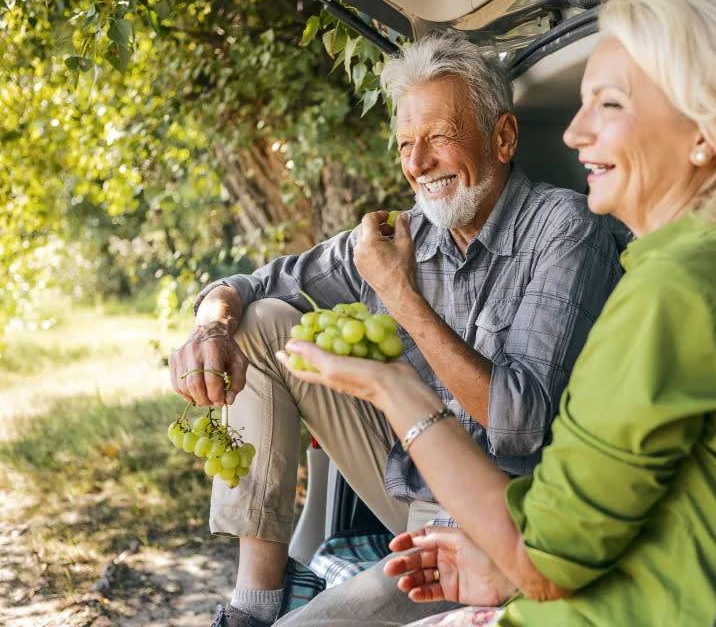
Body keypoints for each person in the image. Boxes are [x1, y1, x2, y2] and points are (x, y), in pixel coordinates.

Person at [277, 0, 716, 625]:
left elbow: (540, 564)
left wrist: (395, 389)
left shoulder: (677, 291)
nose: (575, 131)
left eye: (611, 104)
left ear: (705, 132)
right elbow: (657, 518)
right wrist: (499, 570)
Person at [168, 32, 622, 627]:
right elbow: (254, 284)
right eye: (407, 143)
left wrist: (400, 294)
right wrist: (211, 326)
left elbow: (520, 422)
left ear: (503, 137)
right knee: (261, 324)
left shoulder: (564, 228)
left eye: (438, 137)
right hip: (411, 489)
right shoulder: (403, 232)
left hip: (501, 526)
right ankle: (257, 600)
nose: (416, 164)